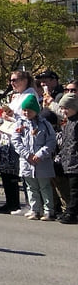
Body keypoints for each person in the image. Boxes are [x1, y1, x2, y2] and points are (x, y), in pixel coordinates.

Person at [11, 94, 57, 220]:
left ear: (36, 111)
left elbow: (51, 141)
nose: (26, 113)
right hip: (26, 161)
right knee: (31, 187)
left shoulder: (45, 124)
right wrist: (27, 154)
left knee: (44, 186)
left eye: (29, 110)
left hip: (42, 162)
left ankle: (49, 210)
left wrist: (40, 154)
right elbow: (16, 141)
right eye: (24, 110)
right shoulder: (19, 124)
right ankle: (35, 209)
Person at [54, 93, 78, 224]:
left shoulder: (76, 123)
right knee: (70, 188)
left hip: (75, 162)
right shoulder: (68, 123)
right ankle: (70, 210)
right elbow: (65, 142)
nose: (63, 111)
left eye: (66, 108)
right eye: (62, 108)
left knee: (75, 190)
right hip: (68, 161)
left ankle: (72, 212)